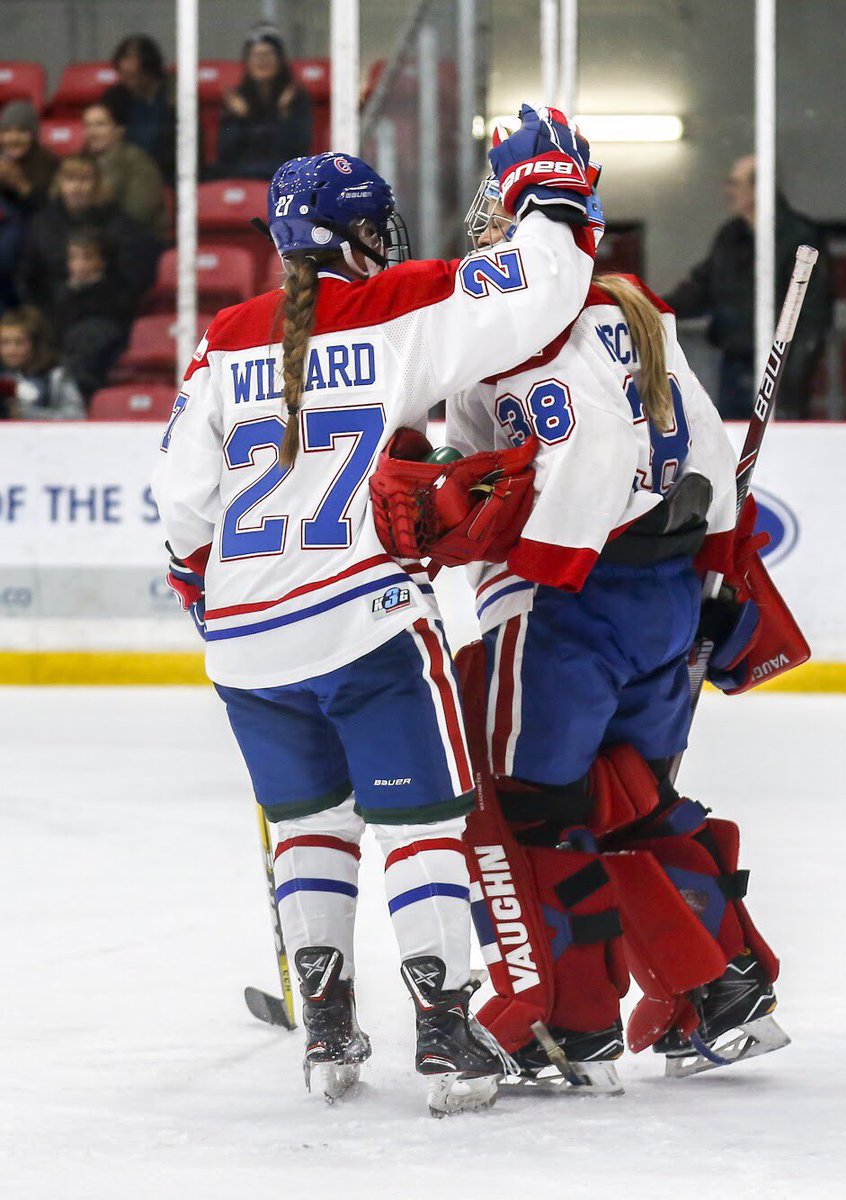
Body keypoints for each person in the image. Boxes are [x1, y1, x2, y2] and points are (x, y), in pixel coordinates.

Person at [151, 106, 597, 1114]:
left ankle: (327, 1036)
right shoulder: (396, 304)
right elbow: (537, 292)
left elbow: (182, 503)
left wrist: (202, 588)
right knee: (422, 828)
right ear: (360, 237)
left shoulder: (223, 339)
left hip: (246, 643)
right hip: (364, 624)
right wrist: (549, 191)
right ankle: (444, 1039)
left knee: (308, 826)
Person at [438, 174, 794, 1086]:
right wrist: (716, 573)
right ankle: (725, 983)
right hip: (667, 598)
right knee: (631, 801)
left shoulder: (503, 331)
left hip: (561, 607)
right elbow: (708, 456)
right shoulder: (637, 311)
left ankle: (566, 1022)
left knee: (529, 812)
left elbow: (497, 476)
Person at [664, 154, 831, 419]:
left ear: (759, 187)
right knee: (734, 436)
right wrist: (651, 306)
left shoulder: (799, 237)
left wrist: (796, 367)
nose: (728, 191)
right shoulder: (730, 235)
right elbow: (700, 289)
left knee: (779, 441)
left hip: (779, 367)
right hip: (735, 361)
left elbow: (811, 311)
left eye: (735, 183)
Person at [19, 153, 160, 310]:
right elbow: (27, 275)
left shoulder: (121, 226)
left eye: (85, 179)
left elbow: (132, 278)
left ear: (100, 184)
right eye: (70, 179)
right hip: (52, 308)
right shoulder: (42, 223)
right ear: (59, 183)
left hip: (105, 309)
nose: (76, 187)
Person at [213, 26, 313, 180]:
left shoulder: (294, 96)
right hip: (242, 176)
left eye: (268, 54)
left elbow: (298, 151)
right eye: (256, 55)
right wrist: (239, 117)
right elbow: (225, 154)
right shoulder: (236, 98)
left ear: (280, 60)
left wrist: (283, 113)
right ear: (246, 62)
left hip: (284, 175)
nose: (262, 61)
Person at [51, 228, 131, 399]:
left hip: (97, 365)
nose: (79, 264)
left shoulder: (116, 294)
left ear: (103, 261)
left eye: (86, 257)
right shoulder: (61, 295)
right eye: (74, 257)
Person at [81, 99, 168, 237]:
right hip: (83, 241)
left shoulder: (138, 163)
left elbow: (139, 212)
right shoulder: (76, 162)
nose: (92, 132)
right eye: (87, 125)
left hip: (134, 241)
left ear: (119, 130)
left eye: (100, 125)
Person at [102, 34, 176, 183]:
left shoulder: (175, 97)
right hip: (124, 173)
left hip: (167, 174)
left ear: (150, 69)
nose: (127, 80)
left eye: (133, 75)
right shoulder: (114, 98)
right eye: (123, 75)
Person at [0, 306, 84, 419]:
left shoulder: (56, 377)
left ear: (36, 344)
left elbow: (76, 416)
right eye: (4, 342)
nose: (10, 350)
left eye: (19, 342)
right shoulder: (5, 379)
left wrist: (28, 415)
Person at [0, 100, 59, 218]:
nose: (13, 138)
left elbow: (49, 210)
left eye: (22, 131)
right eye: (7, 131)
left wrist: (19, 184)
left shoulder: (48, 162)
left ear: (34, 135)